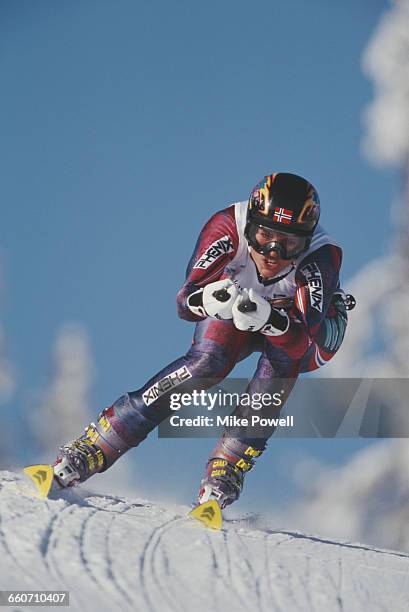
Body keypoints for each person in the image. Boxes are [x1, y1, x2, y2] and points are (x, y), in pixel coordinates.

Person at [53, 172, 350, 509]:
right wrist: (206, 300)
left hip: (305, 327)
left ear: (306, 241)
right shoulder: (227, 226)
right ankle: (99, 442)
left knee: (283, 360)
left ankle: (230, 462)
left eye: (289, 243)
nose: (273, 251)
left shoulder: (322, 257)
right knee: (207, 363)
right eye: (265, 234)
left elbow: (301, 343)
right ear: (250, 224)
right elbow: (185, 302)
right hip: (238, 302)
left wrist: (271, 320)